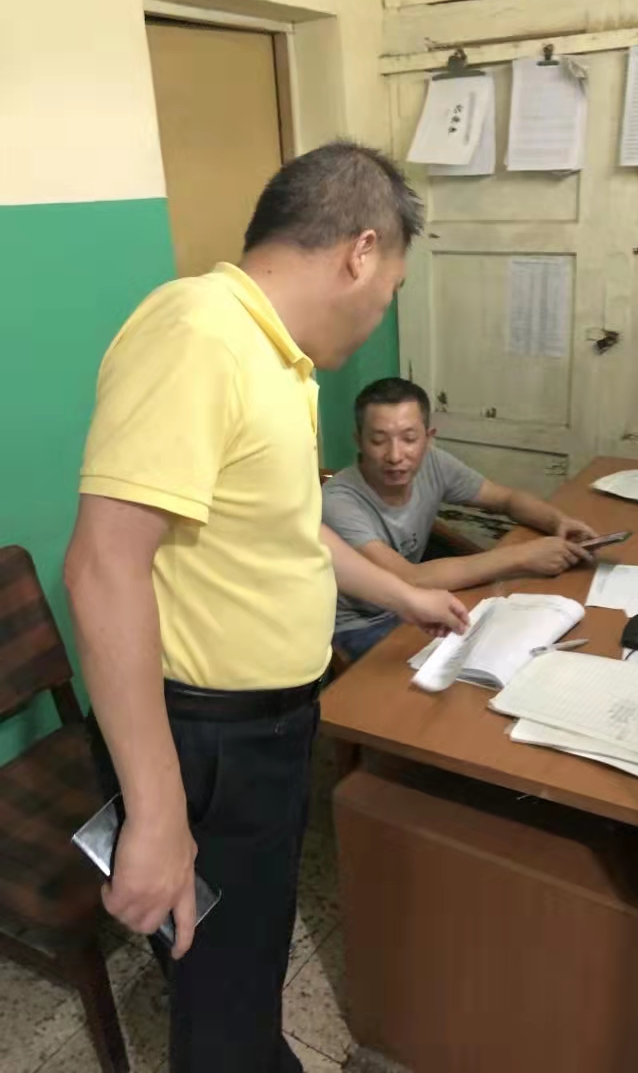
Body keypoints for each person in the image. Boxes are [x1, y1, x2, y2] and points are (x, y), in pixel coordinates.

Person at [64, 143, 469, 1073]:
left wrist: (407, 593)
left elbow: (292, 529)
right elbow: (101, 567)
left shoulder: (276, 358)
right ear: (362, 251)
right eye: (392, 286)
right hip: (207, 738)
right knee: (218, 982)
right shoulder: (198, 334)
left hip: (266, 727)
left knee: (241, 964)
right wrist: (157, 814)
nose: (381, 310)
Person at [322, 377, 596, 662]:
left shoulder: (433, 463)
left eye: (409, 439)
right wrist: (523, 556)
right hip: (362, 624)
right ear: (359, 441)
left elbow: (506, 499)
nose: (394, 455)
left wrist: (557, 521)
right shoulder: (339, 501)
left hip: (418, 604)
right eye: (378, 441)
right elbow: (409, 579)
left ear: (428, 438)